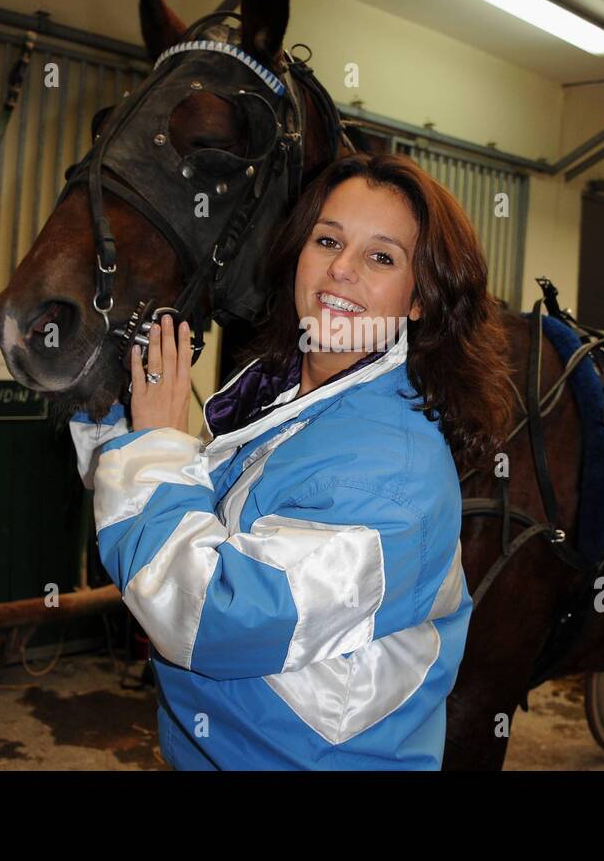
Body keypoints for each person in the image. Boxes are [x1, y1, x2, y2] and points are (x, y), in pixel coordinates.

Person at [69, 153, 513, 769]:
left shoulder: (393, 477)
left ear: (421, 299)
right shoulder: (292, 403)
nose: (340, 268)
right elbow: (182, 513)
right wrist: (100, 406)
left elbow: (208, 613)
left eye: (381, 257)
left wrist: (155, 447)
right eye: (327, 239)